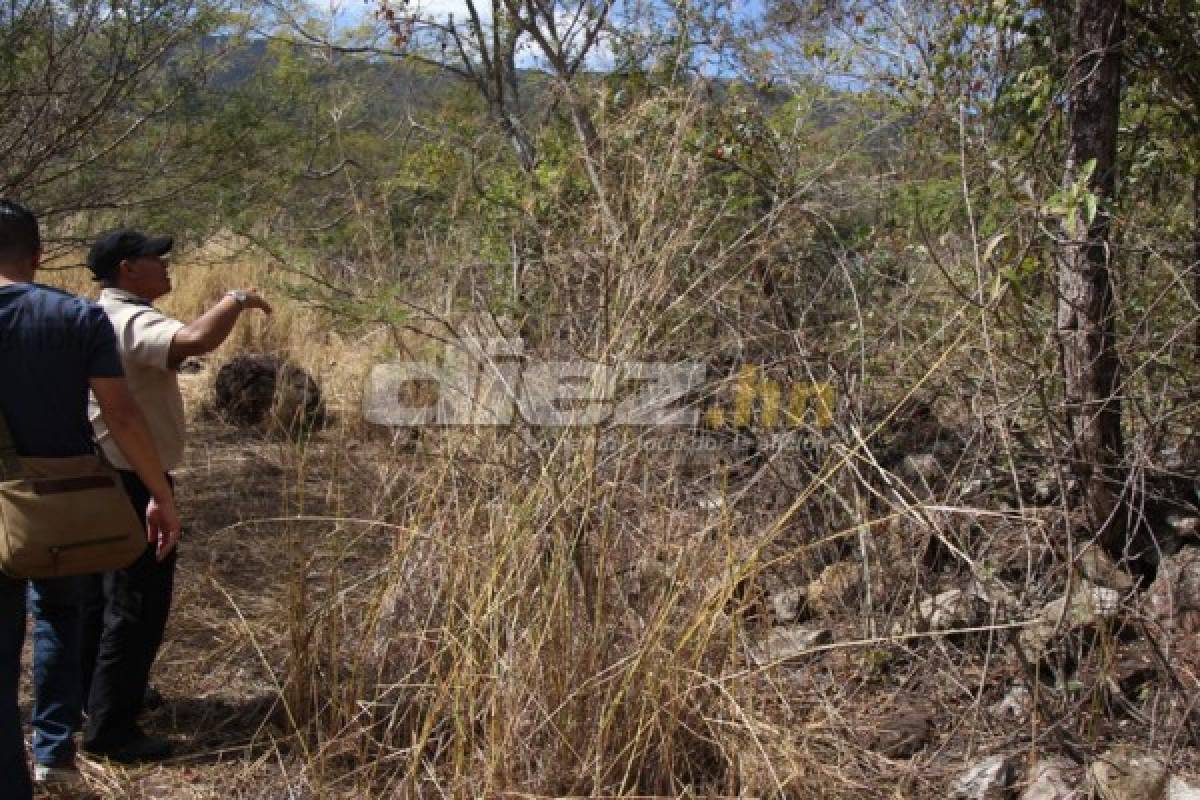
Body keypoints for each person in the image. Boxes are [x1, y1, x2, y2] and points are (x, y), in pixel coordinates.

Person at [0, 200, 181, 797]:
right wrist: (159, 494)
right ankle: (54, 752)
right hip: (56, 500)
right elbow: (122, 415)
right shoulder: (75, 316)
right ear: (39, 253)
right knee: (57, 615)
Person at [81, 228, 271, 763]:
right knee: (136, 604)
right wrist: (234, 300)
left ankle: (101, 701)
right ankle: (112, 730)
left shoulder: (101, 313)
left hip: (113, 474)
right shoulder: (127, 317)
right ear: (126, 269)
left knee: (105, 598)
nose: (166, 266)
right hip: (133, 477)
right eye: (154, 259)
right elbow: (190, 342)